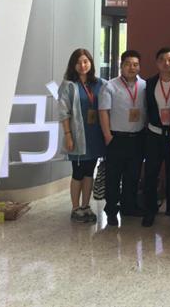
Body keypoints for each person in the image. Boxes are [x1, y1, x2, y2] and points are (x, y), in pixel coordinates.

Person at [98, 49, 147, 227]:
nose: (132, 68)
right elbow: (103, 111)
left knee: (133, 175)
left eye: (135, 64)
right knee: (113, 176)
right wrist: (107, 135)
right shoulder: (110, 86)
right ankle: (111, 210)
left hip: (137, 138)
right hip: (116, 138)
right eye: (128, 64)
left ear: (139, 66)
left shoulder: (144, 85)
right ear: (121, 66)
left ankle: (129, 206)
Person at [58, 48, 106, 223]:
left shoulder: (99, 83)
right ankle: (75, 208)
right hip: (78, 136)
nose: (83, 65)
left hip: (95, 136)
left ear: (91, 63)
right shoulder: (68, 85)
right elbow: (64, 113)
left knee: (89, 172)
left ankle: (86, 206)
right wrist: (68, 135)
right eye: (78, 62)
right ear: (73, 65)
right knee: (78, 172)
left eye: (86, 61)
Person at [143, 47, 170, 227]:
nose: (166, 63)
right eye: (162, 59)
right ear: (157, 63)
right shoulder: (149, 83)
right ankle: (150, 211)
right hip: (154, 134)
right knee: (151, 173)